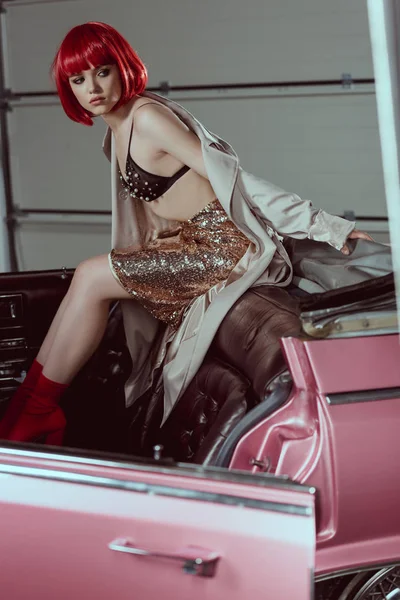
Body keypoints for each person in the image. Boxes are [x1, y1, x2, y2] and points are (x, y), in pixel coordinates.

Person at [0, 21, 373, 445]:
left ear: (123, 67)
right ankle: (29, 407)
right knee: (87, 278)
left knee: (89, 275)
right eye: (78, 79)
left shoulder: (150, 119)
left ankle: (36, 411)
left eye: (102, 71)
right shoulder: (115, 129)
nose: (93, 88)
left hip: (223, 248)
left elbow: (237, 181)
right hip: (187, 243)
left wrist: (325, 225)